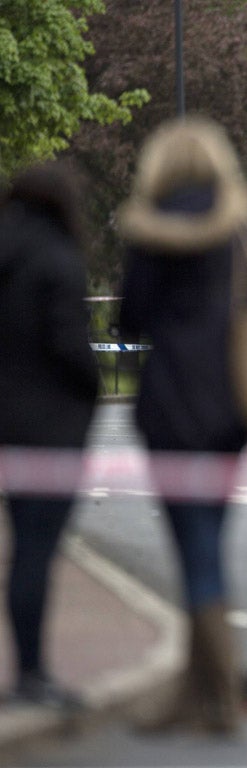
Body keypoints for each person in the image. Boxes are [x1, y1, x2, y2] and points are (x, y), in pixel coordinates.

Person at [117, 117, 247, 735]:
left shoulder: (149, 234)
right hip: (230, 404)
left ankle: (222, 693)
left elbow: (129, 320)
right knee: (211, 540)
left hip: (171, 404)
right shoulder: (239, 227)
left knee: (193, 546)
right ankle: (195, 694)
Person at [0, 163, 99, 710]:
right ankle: (32, 672)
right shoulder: (57, 260)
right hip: (51, 426)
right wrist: (88, 389)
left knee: (21, 546)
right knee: (38, 550)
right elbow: (69, 345)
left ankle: (28, 671)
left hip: (7, 421)